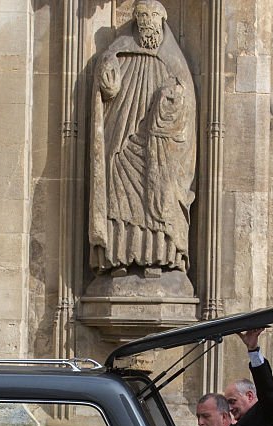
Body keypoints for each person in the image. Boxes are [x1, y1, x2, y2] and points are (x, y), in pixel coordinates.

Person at [88, 0, 196, 277]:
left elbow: (187, 106)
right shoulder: (118, 53)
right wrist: (107, 78)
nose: (147, 21)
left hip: (158, 142)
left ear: (163, 19)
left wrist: (172, 102)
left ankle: (159, 258)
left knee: (159, 194)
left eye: (152, 15)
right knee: (119, 192)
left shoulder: (174, 62)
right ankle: (118, 258)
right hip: (122, 138)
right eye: (141, 16)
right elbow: (107, 90)